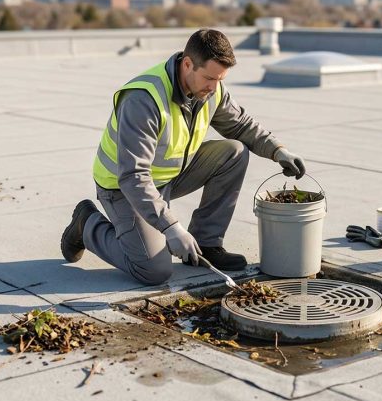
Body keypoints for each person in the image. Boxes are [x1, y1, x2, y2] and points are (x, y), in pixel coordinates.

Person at [59, 28, 307, 285]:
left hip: (170, 175)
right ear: (187, 64)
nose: (214, 87)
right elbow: (133, 176)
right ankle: (86, 224)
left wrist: (278, 150)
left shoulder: (211, 89)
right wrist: (171, 227)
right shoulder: (143, 99)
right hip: (123, 188)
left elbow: (241, 125)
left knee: (234, 152)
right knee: (154, 270)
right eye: (209, 78)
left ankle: (207, 244)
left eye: (220, 79)